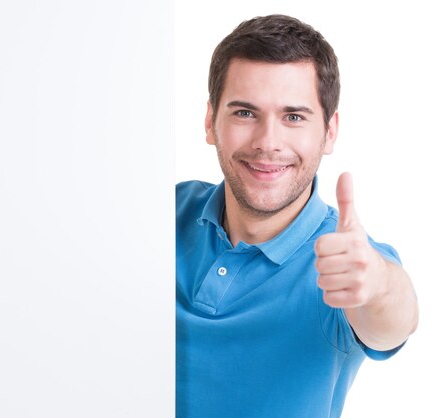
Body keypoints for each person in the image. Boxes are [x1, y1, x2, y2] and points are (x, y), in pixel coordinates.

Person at [176, 14, 418, 418]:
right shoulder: (162, 211)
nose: (268, 143)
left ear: (329, 131)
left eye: (293, 117)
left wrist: (377, 284)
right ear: (209, 121)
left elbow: (394, 318)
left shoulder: (344, 264)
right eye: (245, 113)